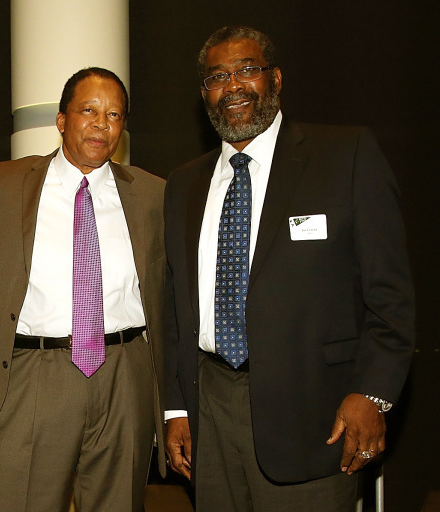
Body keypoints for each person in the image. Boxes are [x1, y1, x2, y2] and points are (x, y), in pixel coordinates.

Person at [162, 26, 415, 511]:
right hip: (210, 416)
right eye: (217, 77)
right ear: (204, 94)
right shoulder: (184, 184)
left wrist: (374, 394)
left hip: (317, 417)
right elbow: (176, 306)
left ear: (275, 79)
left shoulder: (345, 156)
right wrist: (176, 407)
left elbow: (392, 296)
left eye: (246, 70)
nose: (232, 85)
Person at [0, 67, 167, 511]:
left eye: (114, 114)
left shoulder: (152, 193)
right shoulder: (6, 184)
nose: (101, 124)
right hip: (34, 374)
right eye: (88, 110)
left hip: (126, 374)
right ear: (62, 120)